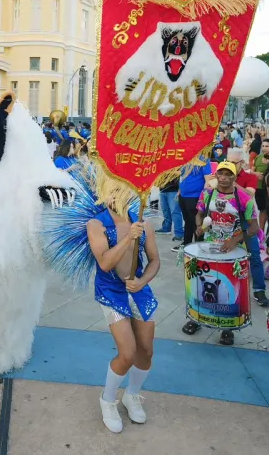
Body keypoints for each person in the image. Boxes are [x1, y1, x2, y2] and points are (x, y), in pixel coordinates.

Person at [85, 180, 160, 433]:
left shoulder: (144, 224)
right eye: (113, 190)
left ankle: (132, 395)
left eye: (124, 190)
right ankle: (107, 400)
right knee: (127, 353)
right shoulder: (96, 224)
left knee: (146, 351)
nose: (118, 195)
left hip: (137, 290)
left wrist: (143, 280)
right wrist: (129, 237)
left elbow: (154, 261)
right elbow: (105, 263)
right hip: (111, 292)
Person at [184, 161, 268, 345]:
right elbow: (200, 213)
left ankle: (227, 328)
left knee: (229, 289)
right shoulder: (207, 193)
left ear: (234, 177)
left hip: (234, 252)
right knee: (203, 283)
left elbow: (254, 228)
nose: (223, 178)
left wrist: (235, 240)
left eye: (227, 174)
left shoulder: (244, 199)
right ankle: (196, 319)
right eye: (220, 174)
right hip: (210, 247)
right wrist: (199, 225)